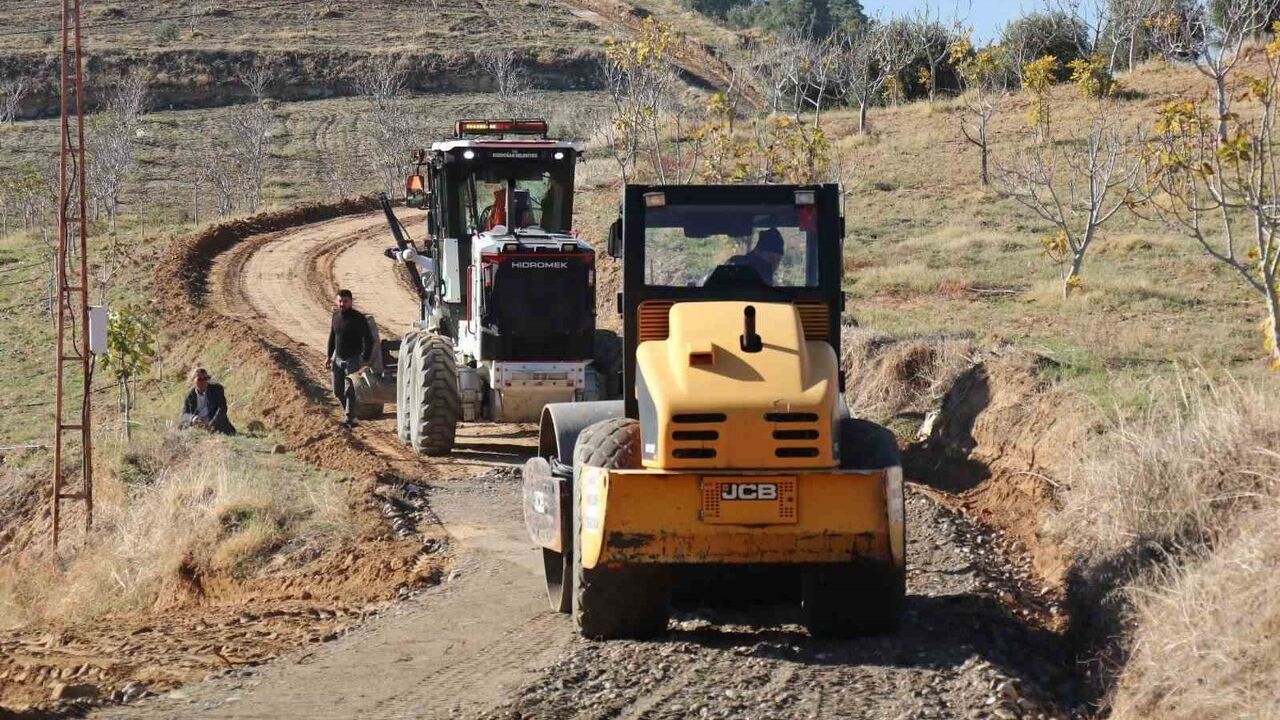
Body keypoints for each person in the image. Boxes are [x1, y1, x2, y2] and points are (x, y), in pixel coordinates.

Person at [325, 289, 374, 428]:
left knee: (349, 390)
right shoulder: (335, 316)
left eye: (345, 301)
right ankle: (349, 413)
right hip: (338, 359)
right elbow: (332, 337)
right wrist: (329, 356)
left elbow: (369, 340)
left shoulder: (359, 319)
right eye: (340, 301)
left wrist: (366, 359)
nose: (342, 304)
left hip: (352, 359)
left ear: (351, 302)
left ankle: (348, 418)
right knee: (337, 391)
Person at [181, 367, 237, 435]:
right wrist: (194, 418)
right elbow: (184, 415)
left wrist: (210, 425)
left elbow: (222, 409)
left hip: (216, 425)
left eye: (205, 378)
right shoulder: (190, 396)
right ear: (193, 381)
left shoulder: (217, 390)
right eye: (199, 379)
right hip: (198, 426)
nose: (203, 382)